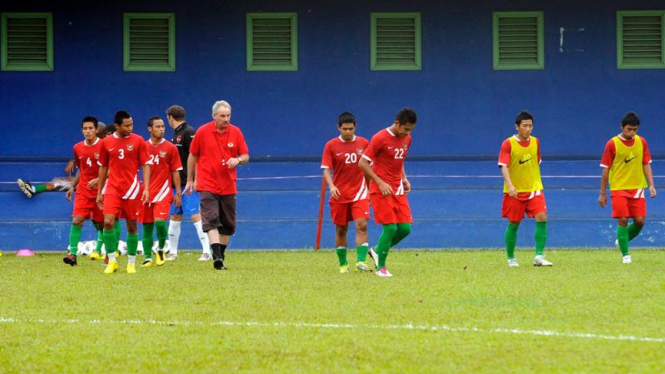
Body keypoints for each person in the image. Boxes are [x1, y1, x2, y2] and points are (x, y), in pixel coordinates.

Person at [185, 100, 249, 270]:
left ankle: (220, 254)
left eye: (228, 116)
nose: (226, 119)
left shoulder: (236, 132)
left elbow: (245, 155)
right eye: (222, 116)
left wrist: (238, 159)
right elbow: (193, 156)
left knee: (228, 225)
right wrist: (190, 180)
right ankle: (217, 257)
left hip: (228, 185)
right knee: (211, 219)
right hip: (207, 183)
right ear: (214, 116)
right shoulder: (202, 131)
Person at [358, 108, 417, 277]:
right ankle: (380, 268)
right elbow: (362, 163)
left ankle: (377, 250)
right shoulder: (379, 138)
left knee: (405, 229)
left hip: (397, 188)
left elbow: (399, 160)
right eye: (405, 129)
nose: (407, 133)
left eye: (411, 130)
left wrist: (404, 178)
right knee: (390, 228)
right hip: (380, 189)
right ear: (397, 123)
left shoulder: (407, 138)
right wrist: (379, 182)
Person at [97, 110, 151, 274]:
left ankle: (131, 262)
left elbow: (146, 164)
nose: (130, 128)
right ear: (117, 126)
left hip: (132, 189)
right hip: (113, 187)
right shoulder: (106, 142)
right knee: (108, 222)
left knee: (132, 226)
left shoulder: (138, 140)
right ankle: (112, 261)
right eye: (126, 125)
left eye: (131, 124)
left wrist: (146, 188)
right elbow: (103, 167)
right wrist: (100, 191)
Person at [599, 111, 656, 264]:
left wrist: (651, 184)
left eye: (634, 129)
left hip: (637, 188)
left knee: (640, 221)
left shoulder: (642, 142)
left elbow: (646, 163)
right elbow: (605, 169)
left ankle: (622, 239)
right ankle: (626, 255)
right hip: (618, 188)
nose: (632, 132)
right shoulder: (612, 144)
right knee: (623, 219)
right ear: (622, 127)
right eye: (629, 129)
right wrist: (602, 193)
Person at [498, 111, 552, 267]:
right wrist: (510, 185)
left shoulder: (536, 142)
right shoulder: (508, 144)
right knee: (514, 223)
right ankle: (511, 258)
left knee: (542, 217)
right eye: (524, 126)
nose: (528, 129)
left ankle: (539, 257)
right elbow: (504, 166)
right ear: (517, 127)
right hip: (515, 192)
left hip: (534, 189)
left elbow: (536, 163)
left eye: (530, 126)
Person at [321, 111, 372, 273]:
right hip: (340, 193)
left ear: (355, 127)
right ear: (339, 128)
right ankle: (343, 264)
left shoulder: (364, 143)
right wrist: (331, 186)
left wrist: (370, 189)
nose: (348, 132)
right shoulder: (331, 145)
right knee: (341, 229)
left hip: (360, 192)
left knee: (362, 225)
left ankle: (361, 261)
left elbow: (369, 168)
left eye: (351, 128)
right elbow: (326, 169)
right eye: (345, 129)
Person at [165, 105, 211, 261]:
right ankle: (173, 252)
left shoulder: (189, 132)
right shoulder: (176, 133)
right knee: (175, 215)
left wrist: (196, 179)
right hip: (176, 184)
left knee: (195, 214)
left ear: (170, 117)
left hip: (188, 183)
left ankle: (207, 251)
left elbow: (197, 157)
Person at [18, 123, 107, 198]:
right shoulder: (88, 144)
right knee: (62, 181)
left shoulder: (107, 145)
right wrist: (73, 160)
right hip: (87, 179)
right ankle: (33, 189)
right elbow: (85, 155)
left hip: (101, 183)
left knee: (65, 183)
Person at [140, 116, 182, 267]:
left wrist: (177, 193)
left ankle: (160, 248)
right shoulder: (142, 146)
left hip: (164, 192)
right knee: (147, 226)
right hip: (145, 192)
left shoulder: (171, 147)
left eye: (163, 126)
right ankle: (147, 257)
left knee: (159, 222)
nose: (161, 129)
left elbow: (176, 171)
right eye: (158, 127)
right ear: (150, 129)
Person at [62, 116, 104, 266]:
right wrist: (73, 186)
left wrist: (99, 180)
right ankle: (72, 254)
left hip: (101, 192)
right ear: (82, 130)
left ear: (96, 129)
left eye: (90, 128)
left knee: (101, 224)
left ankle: (107, 253)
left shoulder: (104, 146)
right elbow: (81, 168)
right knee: (77, 219)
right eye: (85, 129)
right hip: (84, 191)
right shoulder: (77, 147)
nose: (88, 131)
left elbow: (112, 168)